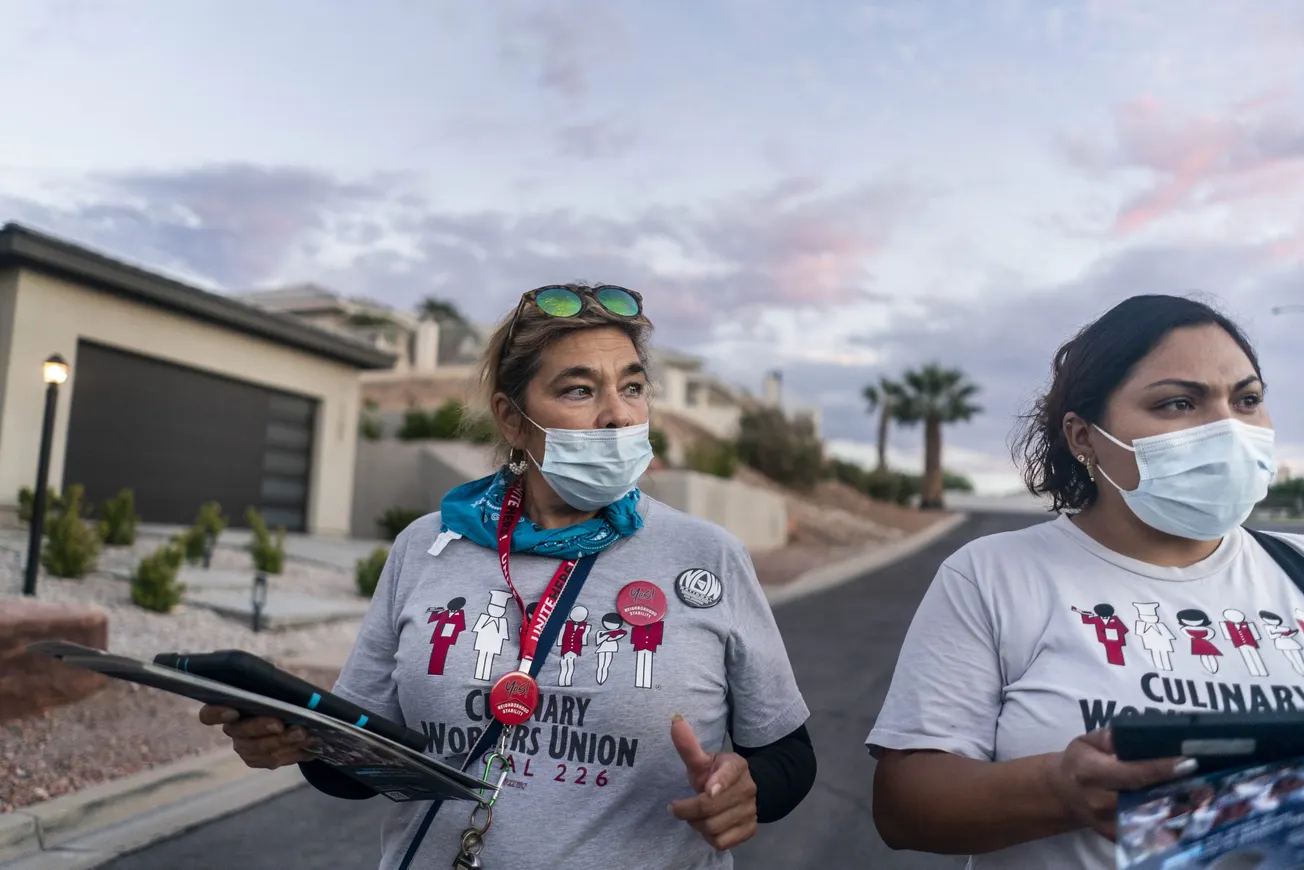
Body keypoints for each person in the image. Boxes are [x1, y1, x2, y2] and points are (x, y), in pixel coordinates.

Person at [198, 283, 815, 869]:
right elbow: (361, 762)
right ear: (513, 418)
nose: (617, 416)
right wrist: (297, 744)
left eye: (632, 387)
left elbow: (789, 753)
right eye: (579, 390)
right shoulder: (427, 546)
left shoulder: (707, 555)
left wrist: (749, 788)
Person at [867, 294, 1303, 869]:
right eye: (1177, 403)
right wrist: (1058, 788)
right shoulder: (994, 575)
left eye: (1247, 399)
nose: (1228, 427)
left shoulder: (1294, 567)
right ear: (1083, 436)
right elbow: (903, 807)